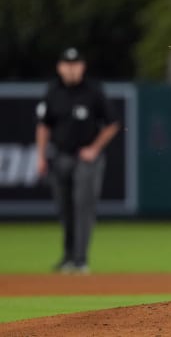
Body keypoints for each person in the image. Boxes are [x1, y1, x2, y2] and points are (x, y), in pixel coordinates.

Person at [35, 47, 120, 275]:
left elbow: (112, 123)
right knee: (65, 209)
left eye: (76, 64)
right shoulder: (53, 91)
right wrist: (41, 156)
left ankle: (80, 260)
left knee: (83, 207)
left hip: (86, 159)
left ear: (82, 67)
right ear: (60, 67)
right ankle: (68, 257)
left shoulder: (93, 90)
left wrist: (94, 148)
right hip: (61, 156)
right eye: (67, 64)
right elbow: (43, 126)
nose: (71, 68)